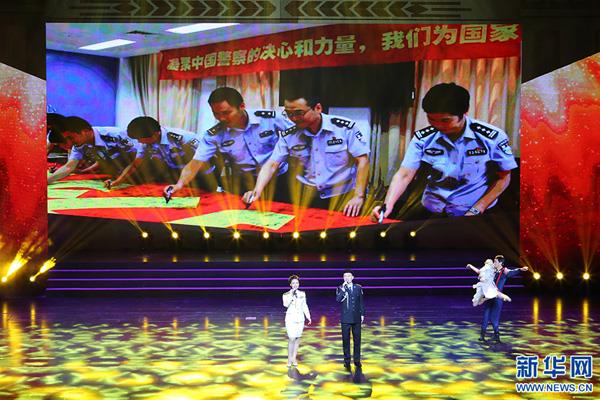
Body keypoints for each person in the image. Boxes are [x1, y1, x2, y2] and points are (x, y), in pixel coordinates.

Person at [372, 82, 518, 221]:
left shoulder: (491, 137)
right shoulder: (423, 138)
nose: (438, 125)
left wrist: (477, 209)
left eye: (445, 120)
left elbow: (504, 178)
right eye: (431, 119)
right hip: (431, 212)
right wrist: (387, 206)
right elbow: (404, 174)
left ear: (464, 112)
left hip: (475, 213)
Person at [243, 95, 370, 217]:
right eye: (289, 114)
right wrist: (256, 191)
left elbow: (362, 161)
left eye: (299, 113)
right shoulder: (289, 135)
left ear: (318, 108)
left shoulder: (344, 128)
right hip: (306, 199)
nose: (293, 118)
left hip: (342, 197)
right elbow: (272, 164)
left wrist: (358, 196)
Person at [164, 87, 293, 199]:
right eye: (216, 114)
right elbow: (195, 163)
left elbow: (297, 135)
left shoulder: (270, 118)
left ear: (242, 106)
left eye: (226, 113)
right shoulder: (214, 135)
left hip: (279, 178)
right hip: (245, 183)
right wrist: (179, 184)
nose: (221, 118)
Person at [104, 116, 217, 190]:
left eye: (140, 139)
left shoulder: (184, 138)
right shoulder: (146, 142)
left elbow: (203, 159)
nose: (139, 142)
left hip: (202, 176)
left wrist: (181, 183)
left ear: (155, 134)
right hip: (179, 174)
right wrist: (117, 181)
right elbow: (135, 164)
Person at [47, 116, 139, 184]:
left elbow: (138, 159)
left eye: (71, 138)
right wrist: (48, 181)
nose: (70, 143)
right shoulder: (79, 145)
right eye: (67, 139)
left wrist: (118, 180)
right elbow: (68, 167)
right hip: (120, 171)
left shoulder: (116, 135)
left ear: (86, 131)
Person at [480, 255, 528, 343]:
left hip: (497, 298)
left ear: (500, 262)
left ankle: (497, 336)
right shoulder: (492, 270)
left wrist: (521, 269)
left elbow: (513, 272)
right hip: (489, 297)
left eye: (495, 261)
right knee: (486, 317)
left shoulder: (504, 271)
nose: (494, 263)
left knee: (494, 318)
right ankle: (482, 336)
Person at [335, 270, 365, 369]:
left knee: (357, 340)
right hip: (345, 319)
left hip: (356, 317)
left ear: (352, 277)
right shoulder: (340, 288)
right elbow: (338, 300)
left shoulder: (358, 287)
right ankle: (347, 361)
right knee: (346, 340)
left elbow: (361, 302)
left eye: (349, 276)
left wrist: (362, 314)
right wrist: (343, 290)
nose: (347, 278)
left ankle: (357, 360)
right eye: (345, 276)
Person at [282, 275, 311, 367]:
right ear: (290, 284)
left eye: (297, 283)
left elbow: (304, 306)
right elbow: (285, 305)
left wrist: (308, 316)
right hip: (290, 319)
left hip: (300, 319)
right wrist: (291, 296)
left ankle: (294, 358)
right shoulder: (286, 294)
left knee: (298, 338)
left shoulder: (302, 294)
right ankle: (289, 359)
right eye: (293, 283)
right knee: (292, 338)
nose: (295, 284)